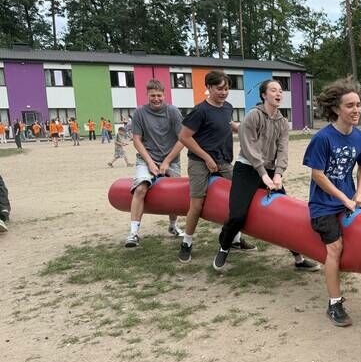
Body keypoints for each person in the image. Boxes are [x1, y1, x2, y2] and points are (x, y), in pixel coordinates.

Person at [212, 79, 319, 272]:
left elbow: (283, 150)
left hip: (269, 170)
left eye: (280, 91)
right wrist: (263, 174)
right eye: (273, 90)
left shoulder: (282, 122)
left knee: (286, 216)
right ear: (264, 95)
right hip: (246, 168)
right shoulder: (253, 116)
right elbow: (249, 147)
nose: (278, 94)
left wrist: (278, 174)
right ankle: (224, 247)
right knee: (237, 215)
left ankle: (298, 259)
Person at [302, 77, 361, 327]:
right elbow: (318, 174)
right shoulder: (322, 138)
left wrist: (360, 193)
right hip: (323, 206)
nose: (356, 110)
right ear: (336, 108)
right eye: (350, 105)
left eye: (358, 105)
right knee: (334, 248)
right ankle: (334, 303)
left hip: (349, 202)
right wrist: (345, 198)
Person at [178, 71, 238, 262]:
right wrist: (206, 158)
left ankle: (235, 239)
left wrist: (239, 127)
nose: (224, 92)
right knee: (197, 204)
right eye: (219, 89)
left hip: (224, 161)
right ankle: (187, 242)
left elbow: (226, 123)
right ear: (209, 87)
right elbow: (184, 137)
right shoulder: (200, 111)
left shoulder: (228, 107)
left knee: (238, 198)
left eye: (226, 89)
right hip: (199, 162)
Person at [126, 79, 185, 248]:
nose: (156, 99)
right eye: (153, 95)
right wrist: (150, 163)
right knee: (140, 188)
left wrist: (166, 162)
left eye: (159, 95)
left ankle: (173, 226)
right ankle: (133, 233)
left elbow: (183, 139)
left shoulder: (173, 111)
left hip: (170, 160)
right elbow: (136, 140)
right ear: (147, 95)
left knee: (173, 194)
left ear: (164, 95)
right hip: (147, 158)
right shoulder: (139, 113)